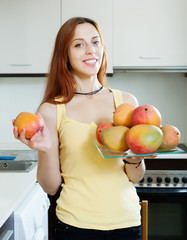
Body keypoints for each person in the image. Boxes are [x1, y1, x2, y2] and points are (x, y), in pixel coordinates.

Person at [13, 17, 146, 240]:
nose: (90, 50)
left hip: (127, 221)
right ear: (64, 55)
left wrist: (134, 160)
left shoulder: (126, 103)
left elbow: (135, 177)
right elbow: (50, 187)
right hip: (74, 225)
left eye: (95, 42)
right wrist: (46, 149)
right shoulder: (51, 110)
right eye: (78, 44)